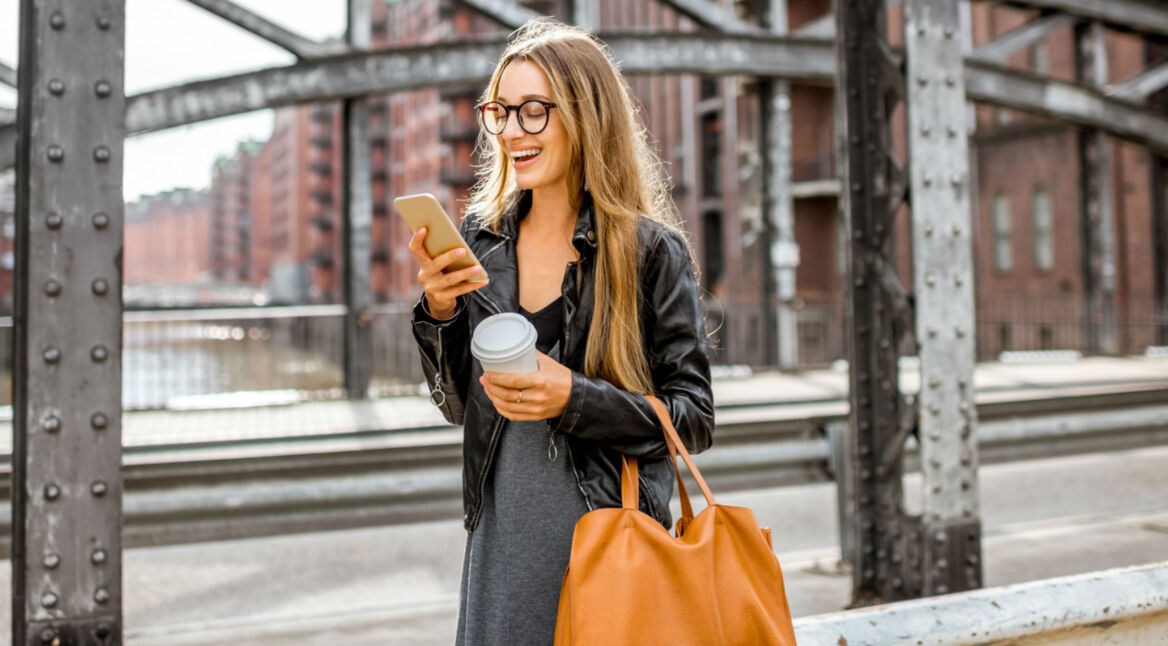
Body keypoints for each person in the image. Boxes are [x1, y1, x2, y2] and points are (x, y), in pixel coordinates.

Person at [409, 17, 714, 646]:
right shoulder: (483, 243)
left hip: (608, 544)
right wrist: (439, 314)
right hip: (500, 544)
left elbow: (694, 419)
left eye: (533, 111)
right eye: (500, 112)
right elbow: (460, 407)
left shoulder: (651, 251)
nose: (511, 131)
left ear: (586, 116)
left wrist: (573, 398)